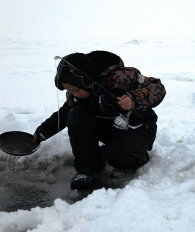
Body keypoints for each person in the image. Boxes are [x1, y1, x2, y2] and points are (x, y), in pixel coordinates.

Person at [32, 51, 166, 190]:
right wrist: (41, 133)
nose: (73, 94)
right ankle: (88, 169)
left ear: (86, 79)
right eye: (70, 91)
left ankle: (137, 159)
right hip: (111, 128)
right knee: (76, 114)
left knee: (115, 154)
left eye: (76, 90)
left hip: (138, 129)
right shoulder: (79, 94)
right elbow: (64, 113)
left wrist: (134, 99)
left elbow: (157, 87)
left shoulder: (119, 78)